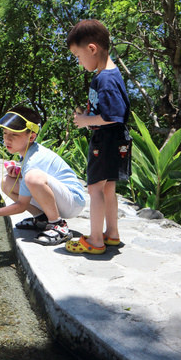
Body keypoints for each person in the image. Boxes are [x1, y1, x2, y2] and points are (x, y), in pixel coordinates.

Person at [0, 105, 86, 246]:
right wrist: (19, 172)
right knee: (7, 182)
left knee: (32, 177)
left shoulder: (34, 160)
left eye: (14, 134)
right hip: (61, 199)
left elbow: (21, 205)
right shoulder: (27, 153)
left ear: (31, 136)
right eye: (5, 133)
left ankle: (58, 225)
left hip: (72, 201)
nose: (7, 139)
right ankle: (42, 219)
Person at [65, 19, 132, 255]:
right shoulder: (110, 75)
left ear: (92, 49)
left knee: (94, 188)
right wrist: (87, 114)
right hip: (115, 141)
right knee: (108, 188)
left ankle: (95, 240)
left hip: (107, 141)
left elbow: (113, 115)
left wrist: (85, 121)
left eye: (78, 55)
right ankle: (111, 234)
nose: (79, 61)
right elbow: (107, 111)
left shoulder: (105, 78)